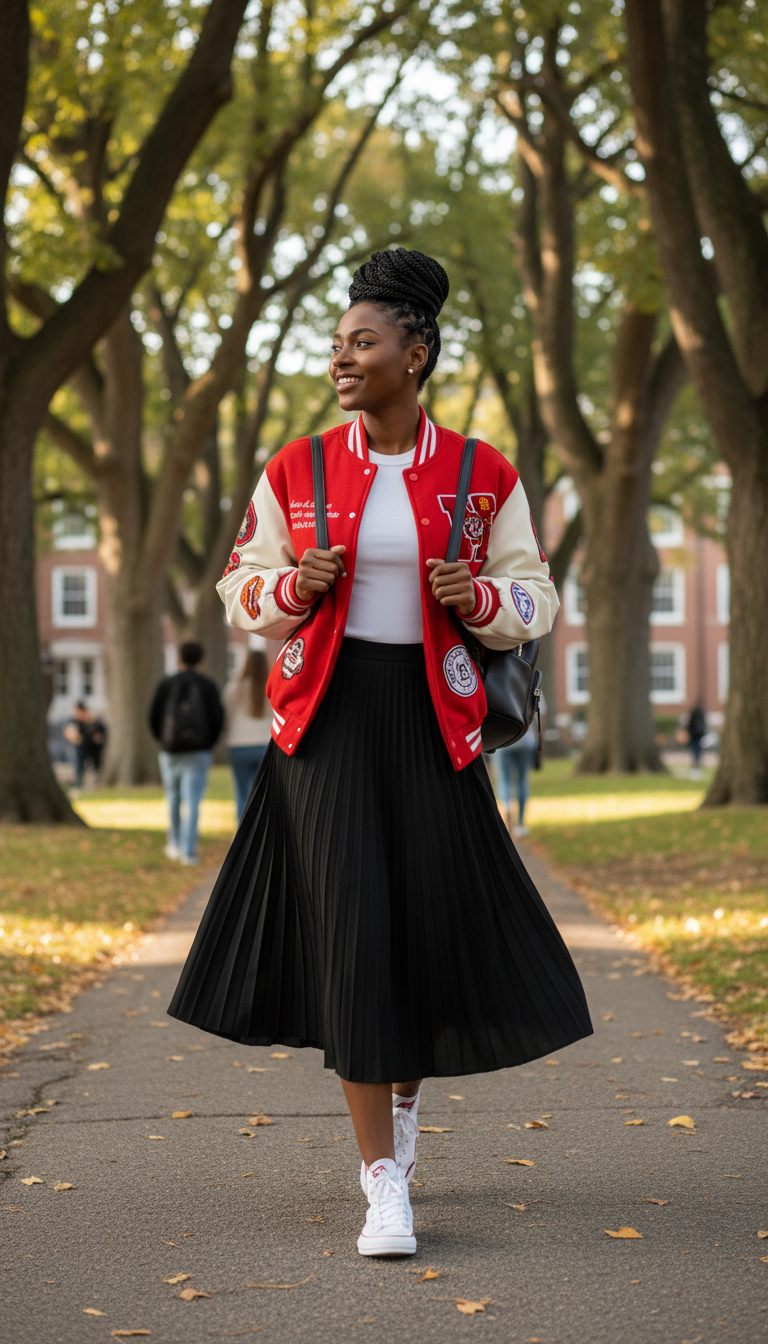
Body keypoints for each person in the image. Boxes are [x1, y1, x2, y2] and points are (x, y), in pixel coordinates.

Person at [169, 248, 592, 1257]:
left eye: (363, 342)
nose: (342, 359)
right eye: (338, 344)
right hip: (327, 727)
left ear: (416, 352)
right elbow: (240, 589)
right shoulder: (297, 468)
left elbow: (536, 596)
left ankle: (403, 1115)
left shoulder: (483, 473)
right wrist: (293, 588)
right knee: (355, 935)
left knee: (421, 931)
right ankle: (381, 1182)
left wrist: (478, 597)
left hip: (437, 724)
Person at [148, 641, 224, 865]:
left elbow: (153, 717)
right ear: (201, 659)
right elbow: (218, 718)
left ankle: (173, 843)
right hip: (198, 751)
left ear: (179, 658)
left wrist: (164, 741)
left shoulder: (166, 684)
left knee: (173, 796)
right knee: (192, 800)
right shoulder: (208, 685)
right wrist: (208, 743)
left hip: (170, 751)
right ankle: (188, 850)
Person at [223, 646, 273, 821]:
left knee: (242, 793)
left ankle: (241, 829)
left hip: (239, 745)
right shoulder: (271, 687)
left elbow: (225, 717)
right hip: (264, 745)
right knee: (262, 794)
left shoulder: (233, 688)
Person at [492, 711, 540, 838]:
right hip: (525, 740)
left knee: (504, 780)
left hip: (502, 740)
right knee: (522, 780)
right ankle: (520, 824)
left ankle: (507, 810)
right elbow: (540, 717)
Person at [63, 701, 107, 790]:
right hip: (81, 747)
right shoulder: (74, 722)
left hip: (94, 748)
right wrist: (73, 736)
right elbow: (68, 731)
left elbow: (101, 732)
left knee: (97, 765)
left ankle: (98, 783)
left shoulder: (92, 721)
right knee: (79, 765)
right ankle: (79, 784)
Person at [686, 703, 707, 776]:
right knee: (698, 752)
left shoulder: (693, 716)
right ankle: (697, 765)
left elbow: (689, 726)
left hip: (694, 737)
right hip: (699, 737)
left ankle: (695, 765)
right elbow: (704, 727)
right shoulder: (701, 717)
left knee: (694, 751)